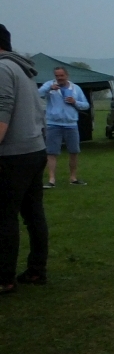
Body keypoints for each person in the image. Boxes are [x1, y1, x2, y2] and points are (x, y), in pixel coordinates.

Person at [0, 24, 49, 292]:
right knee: (33, 215)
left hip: (13, 155)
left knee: (5, 217)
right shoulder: (24, 69)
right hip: (34, 150)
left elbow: (2, 112)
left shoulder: (3, 68)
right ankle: (36, 270)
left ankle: (4, 278)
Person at [38, 66, 90, 188]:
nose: (59, 78)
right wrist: (49, 89)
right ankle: (51, 180)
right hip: (53, 124)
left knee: (74, 151)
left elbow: (86, 105)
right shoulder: (49, 85)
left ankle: (73, 178)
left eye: (61, 75)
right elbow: (37, 94)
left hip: (71, 124)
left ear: (67, 75)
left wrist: (75, 102)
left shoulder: (75, 88)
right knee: (51, 152)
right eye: (57, 76)